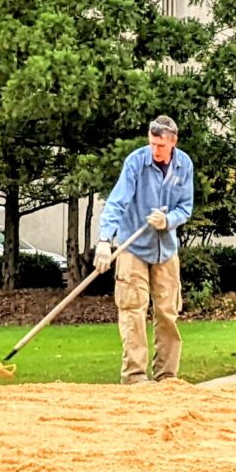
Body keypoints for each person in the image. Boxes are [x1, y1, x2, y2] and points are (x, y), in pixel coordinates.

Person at [97, 115, 197, 384]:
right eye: (152, 144)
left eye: (161, 146)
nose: (155, 151)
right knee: (133, 310)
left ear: (173, 142)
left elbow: (185, 207)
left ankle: (167, 377)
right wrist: (105, 240)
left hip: (166, 250)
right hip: (133, 248)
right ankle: (135, 378)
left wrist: (168, 221)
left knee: (167, 312)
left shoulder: (184, 164)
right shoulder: (136, 162)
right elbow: (117, 202)